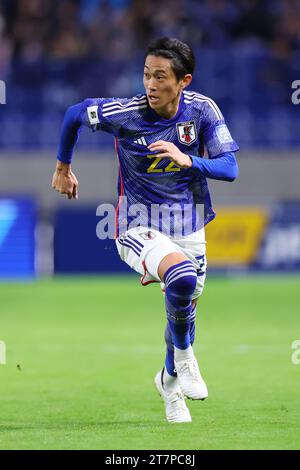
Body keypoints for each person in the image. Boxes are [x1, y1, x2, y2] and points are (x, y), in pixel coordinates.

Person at [52, 37, 239, 423]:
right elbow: (74, 114)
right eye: (146, 74)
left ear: (183, 80)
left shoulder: (202, 111)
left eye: (160, 77)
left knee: (183, 305)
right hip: (137, 224)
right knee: (183, 277)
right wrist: (62, 167)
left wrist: (187, 159)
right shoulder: (126, 113)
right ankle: (187, 359)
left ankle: (170, 382)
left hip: (189, 224)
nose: (150, 85)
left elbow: (230, 168)